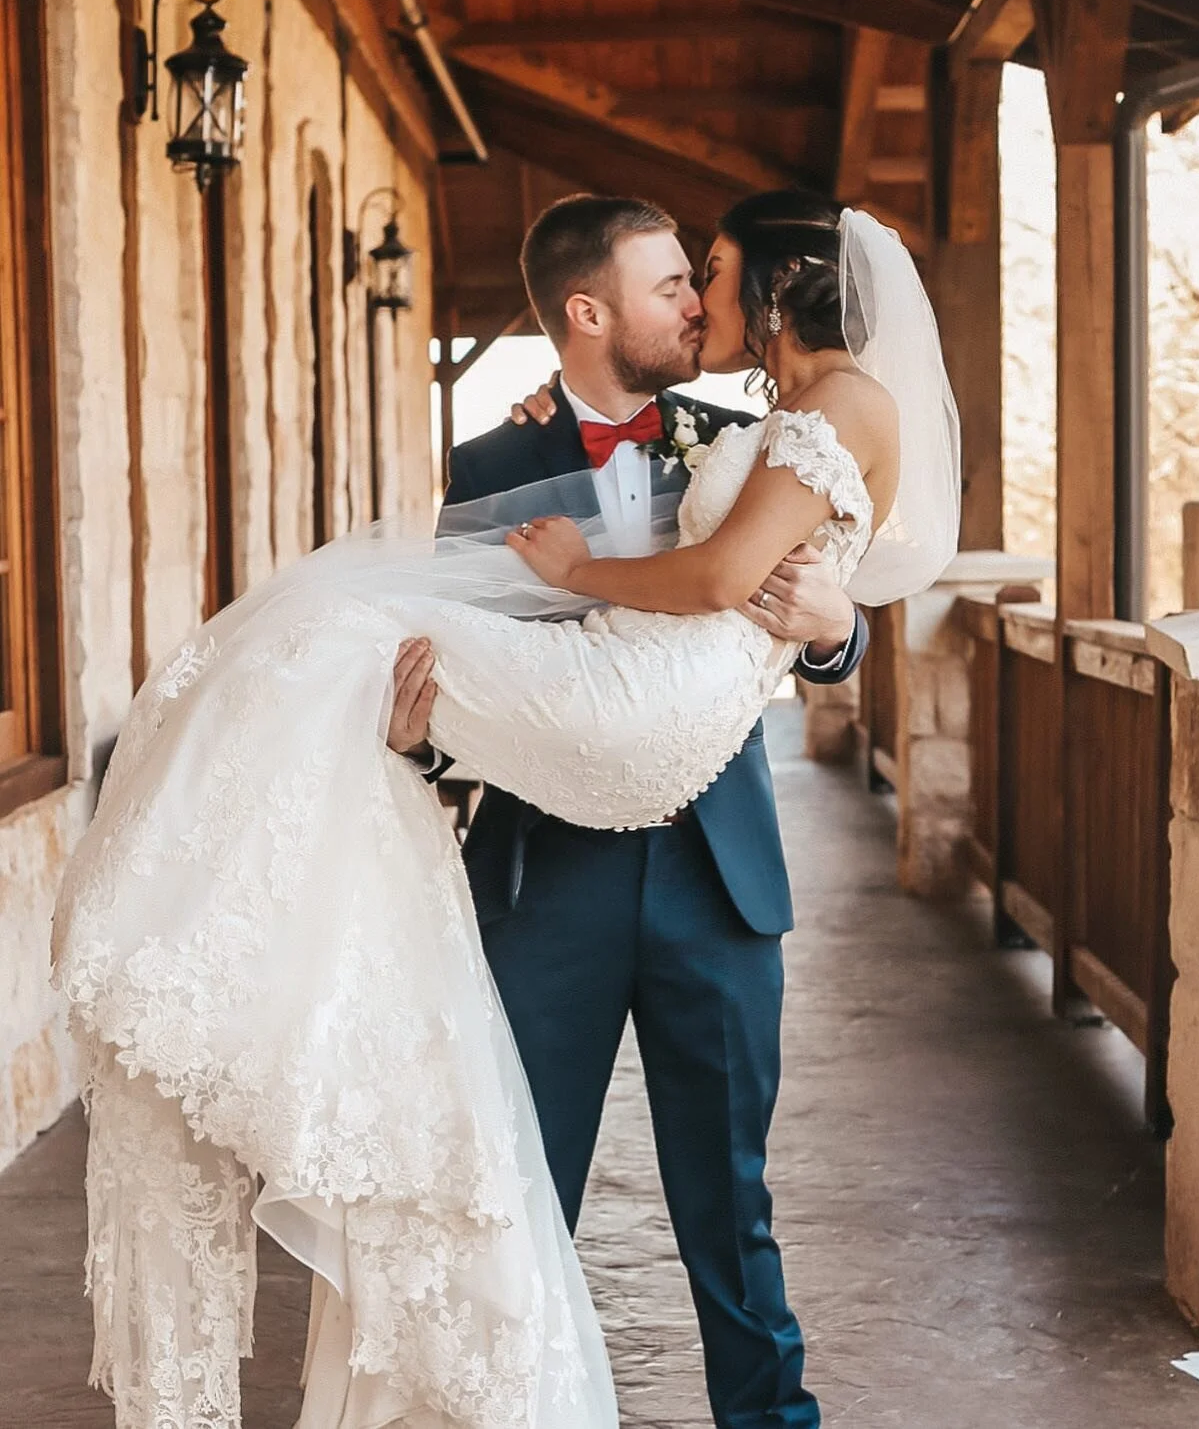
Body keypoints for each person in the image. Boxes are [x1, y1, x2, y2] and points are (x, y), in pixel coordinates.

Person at [50, 190, 958, 1429]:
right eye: (668, 285)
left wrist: (836, 628)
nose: (693, 303)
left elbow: (816, 593)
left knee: (731, 1206)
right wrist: (412, 742)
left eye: (700, 278)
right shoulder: (490, 461)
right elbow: (446, 664)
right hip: (547, 876)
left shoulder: (755, 425)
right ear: (587, 313)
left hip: (717, 871)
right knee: (510, 1184)